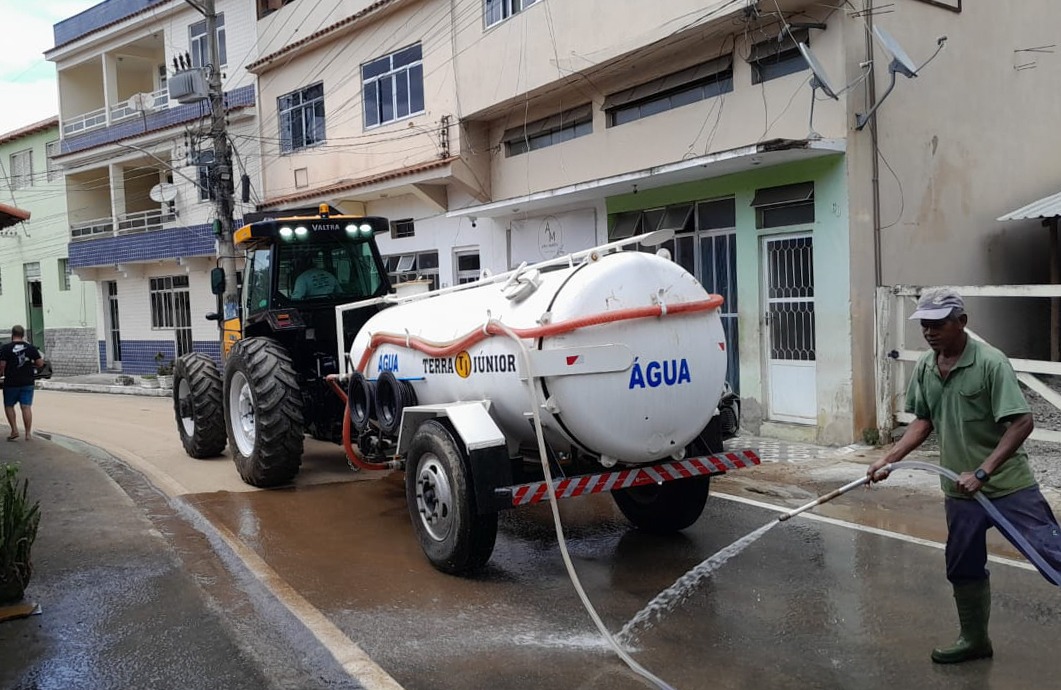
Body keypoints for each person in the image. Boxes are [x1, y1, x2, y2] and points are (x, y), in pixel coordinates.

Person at [867, 288, 1061, 664]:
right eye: (925, 325)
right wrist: (887, 459)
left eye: (938, 324)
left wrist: (984, 472)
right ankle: (974, 640)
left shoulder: (991, 363)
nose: (929, 332)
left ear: (962, 322)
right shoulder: (926, 366)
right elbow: (923, 421)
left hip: (1008, 487)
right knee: (962, 566)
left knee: (1052, 553)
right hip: (959, 491)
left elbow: (1022, 422)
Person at [0, 325, 45, 441]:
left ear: (12, 334)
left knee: (9, 406)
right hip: (27, 382)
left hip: (11, 382)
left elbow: (2, 365)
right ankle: (28, 434)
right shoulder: (30, 348)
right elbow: (40, 363)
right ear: (23, 335)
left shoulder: (5, 348)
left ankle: (14, 430)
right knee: (26, 407)